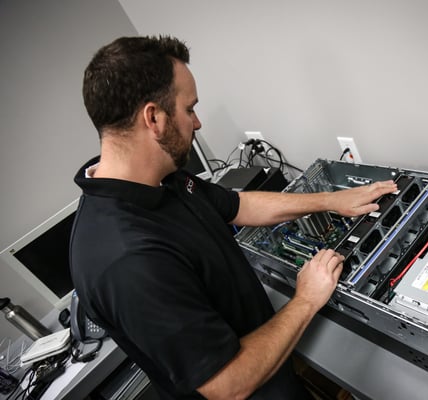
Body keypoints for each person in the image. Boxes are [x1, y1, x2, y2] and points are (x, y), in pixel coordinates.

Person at [70, 35, 397, 400]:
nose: (197, 124)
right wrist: (306, 299)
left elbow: (237, 206)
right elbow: (228, 384)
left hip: (273, 363)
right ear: (154, 118)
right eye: (189, 109)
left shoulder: (159, 178)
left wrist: (331, 200)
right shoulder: (127, 260)